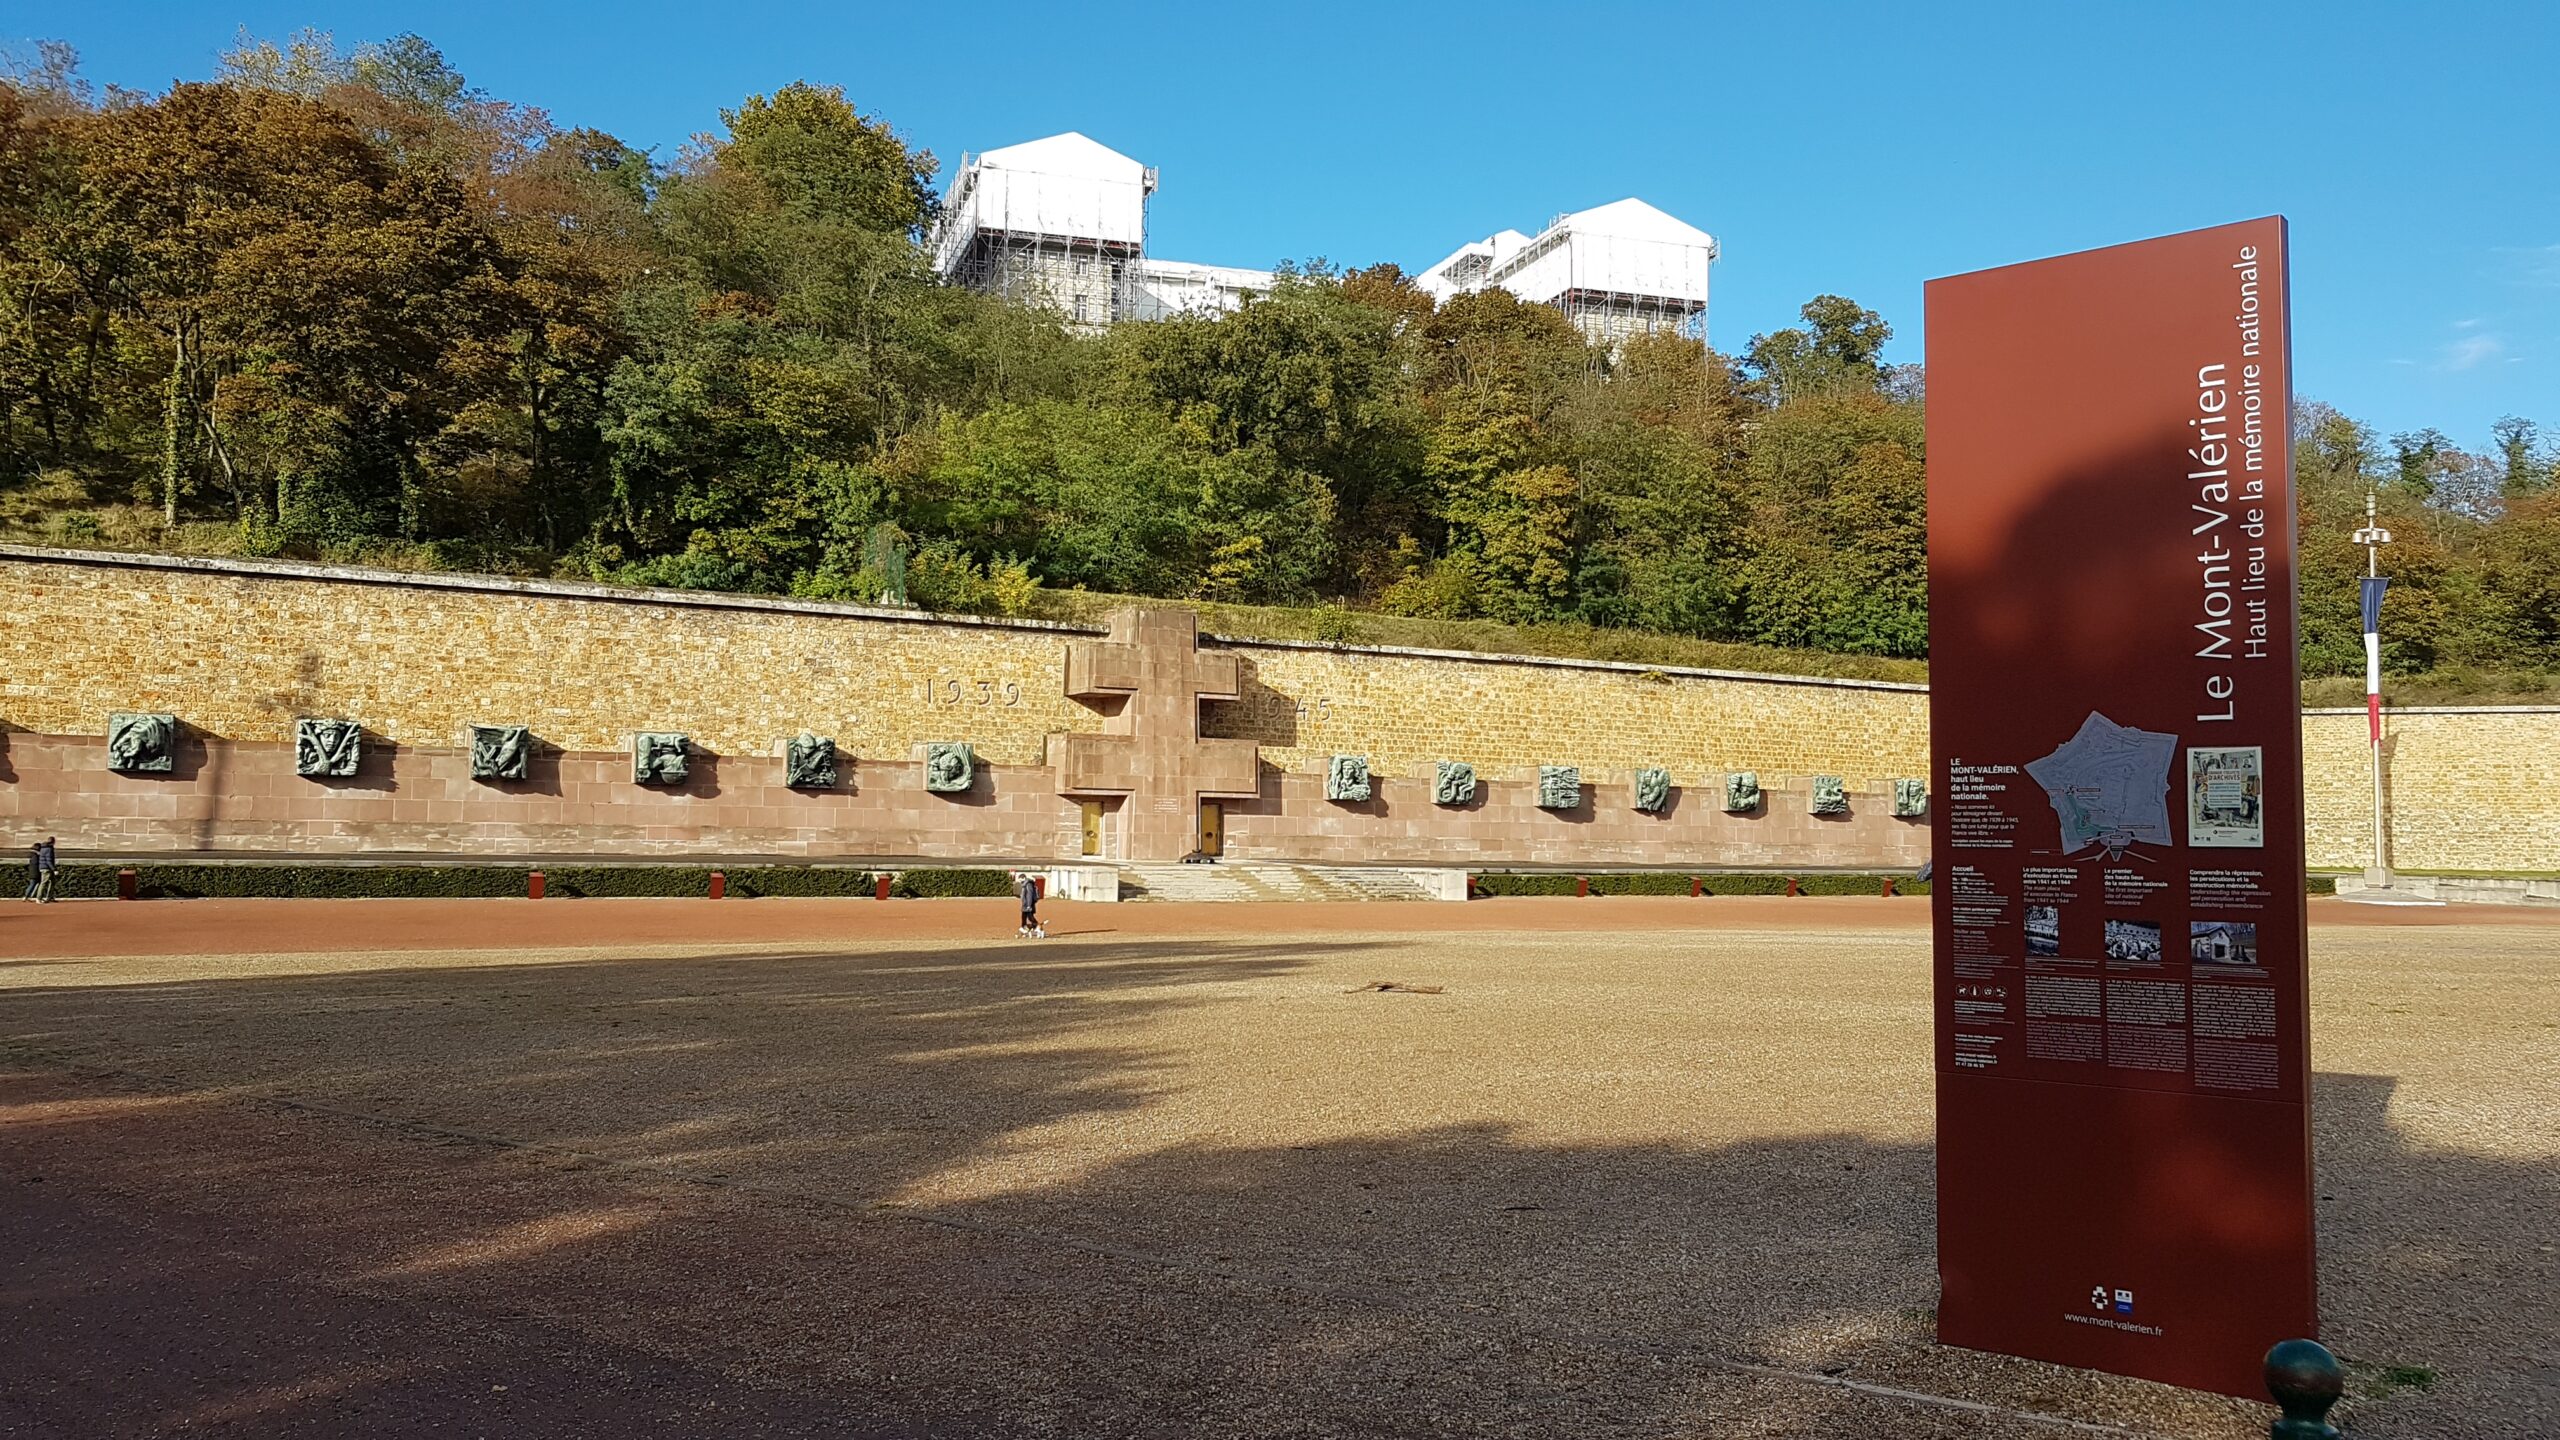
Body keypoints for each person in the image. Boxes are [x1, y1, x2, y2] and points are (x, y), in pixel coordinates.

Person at [1015, 871, 1046, 939]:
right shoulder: (1024, 884)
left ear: (1023, 878)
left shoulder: (1029, 884)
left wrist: (1029, 905)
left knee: (1030, 918)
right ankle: (1023, 931)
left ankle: (1039, 929)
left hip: (1028, 905)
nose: (1019, 881)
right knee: (1024, 918)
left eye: (1020, 879)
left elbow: (1029, 895)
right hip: (1025, 904)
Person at [30, 836, 59, 903]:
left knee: (51, 882)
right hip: (46, 868)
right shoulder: (49, 849)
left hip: (44, 867)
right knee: (44, 883)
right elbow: (48, 860)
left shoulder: (43, 848)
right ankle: (39, 898)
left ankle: (49, 897)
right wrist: (54, 869)